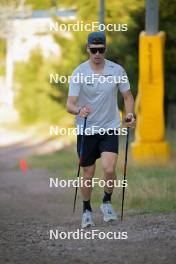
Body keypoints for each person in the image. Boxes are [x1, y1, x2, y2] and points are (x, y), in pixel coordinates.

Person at [67, 31, 135, 228]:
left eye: (101, 49)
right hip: (86, 129)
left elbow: (128, 97)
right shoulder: (79, 72)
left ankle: (106, 202)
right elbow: (70, 104)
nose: (97, 53)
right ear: (88, 49)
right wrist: (79, 110)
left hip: (109, 127)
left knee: (109, 168)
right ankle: (86, 209)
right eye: (93, 49)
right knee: (87, 173)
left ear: (105, 49)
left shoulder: (117, 70)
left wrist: (130, 115)